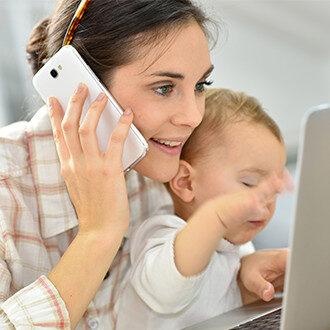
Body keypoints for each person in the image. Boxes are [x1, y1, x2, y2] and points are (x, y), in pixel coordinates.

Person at [0, 0, 288, 329]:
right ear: (79, 88)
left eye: (199, 86)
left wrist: (239, 276)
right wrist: (98, 235)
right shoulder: (7, 190)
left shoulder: (163, 168)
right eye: (164, 88)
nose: (194, 117)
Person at [116, 88, 292, 329]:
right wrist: (216, 216)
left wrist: (246, 279)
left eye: (274, 189)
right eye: (249, 183)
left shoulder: (235, 245)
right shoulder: (161, 234)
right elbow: (172, 288)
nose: (267, 200)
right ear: (186, 182)